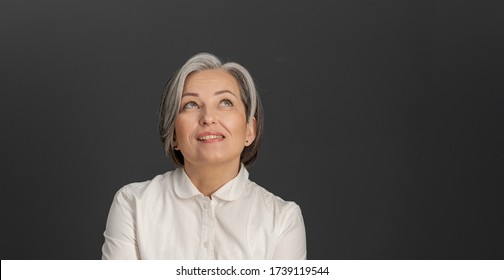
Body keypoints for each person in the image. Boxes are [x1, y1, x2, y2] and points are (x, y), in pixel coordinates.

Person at [101, 52, 306, 259]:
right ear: (173, 135)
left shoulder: (282, 219)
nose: (208, 118)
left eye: (225, 102)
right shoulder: (133, 204)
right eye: (191, 105)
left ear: (249, 130)